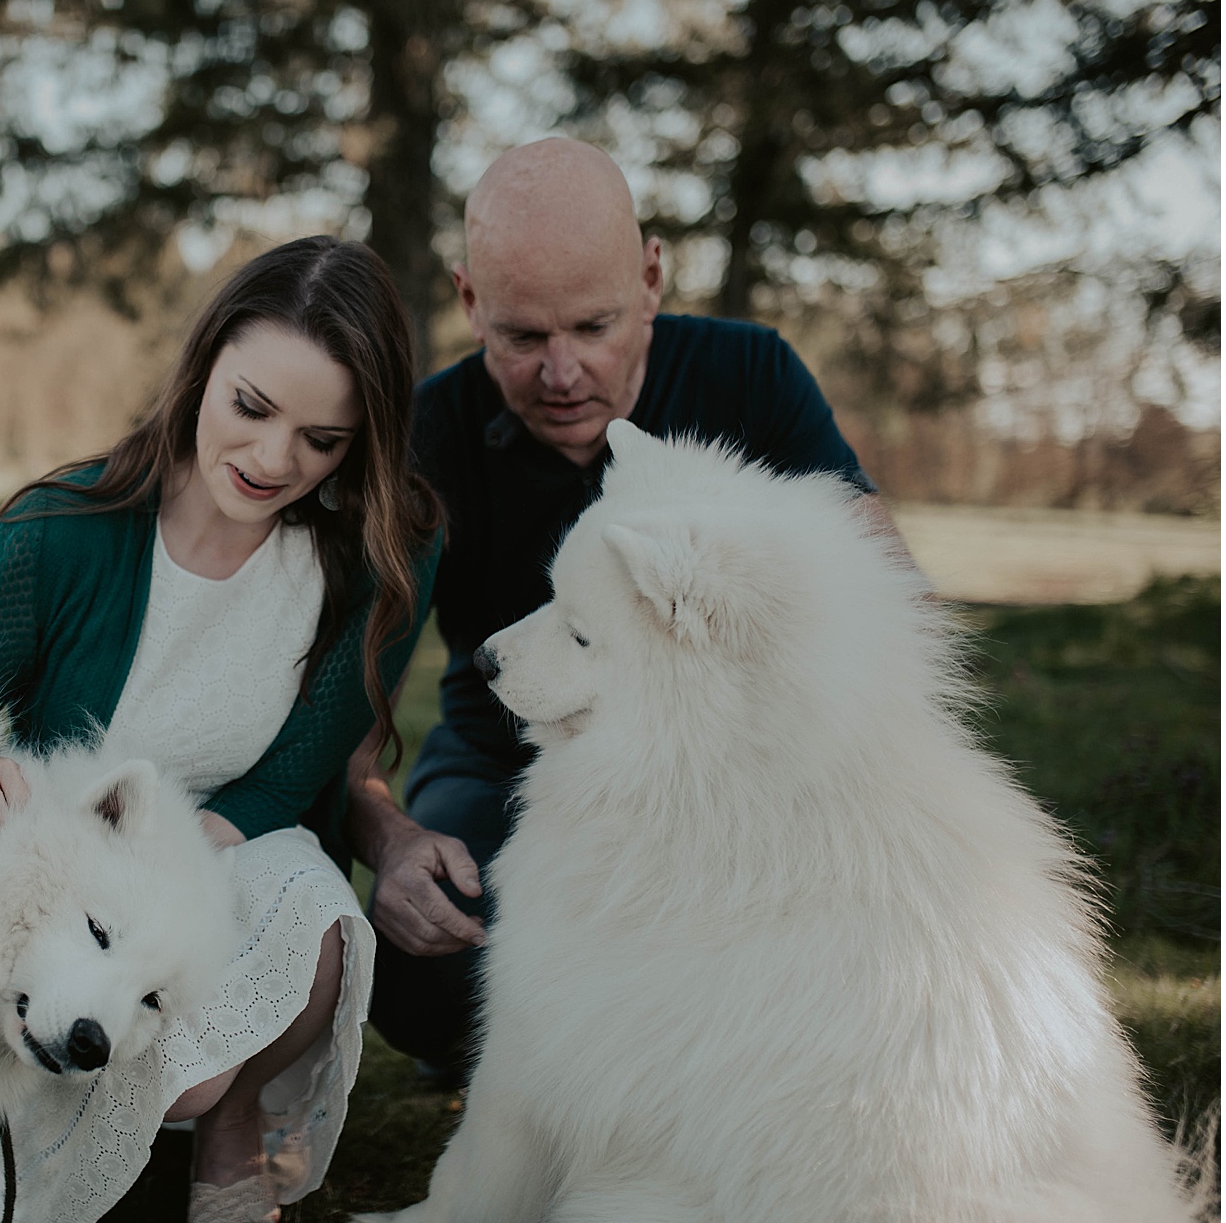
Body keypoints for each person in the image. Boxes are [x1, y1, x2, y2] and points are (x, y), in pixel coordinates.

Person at [347, 138, 916, 1081]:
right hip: (508, 758)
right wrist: (393, 841)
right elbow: (349, 710)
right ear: (468, 301)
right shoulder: (430, 433)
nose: (562, 373)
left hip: (730, 778)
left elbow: (890, 599)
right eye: (523, 338)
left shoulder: (754, 375)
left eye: (594, 326)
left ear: (652, 278)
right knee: (423, 983)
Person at [0, 237, 442, 1223]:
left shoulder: (376, 558)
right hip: (70, 863)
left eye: (322, 439)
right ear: (201, 367)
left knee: (321, 940)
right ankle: (53, 1133)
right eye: (250, 406)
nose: (272, 460)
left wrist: (188, 873)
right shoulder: (52, 532)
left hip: (226, 838)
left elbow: (297, 770)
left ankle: (227, 1111)